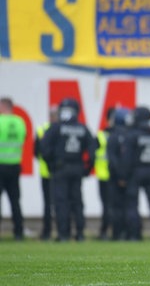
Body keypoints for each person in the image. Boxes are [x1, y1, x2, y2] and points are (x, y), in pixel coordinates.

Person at [40, 98, 95, 242]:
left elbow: (44, 149)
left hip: (60, 168)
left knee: (61, 202)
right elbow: (93, 150)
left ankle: (63, 234)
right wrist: (86, 169)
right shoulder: (83, 128)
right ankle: (80, 233)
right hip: (77, 167)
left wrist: (52, 165)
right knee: (77, 201)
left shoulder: (55, 127)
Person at [123, 106, 150, 241]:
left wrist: (123, 175)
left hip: (135, 172)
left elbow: (127, 158)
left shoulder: (132, 135)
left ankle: (135, 235)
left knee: (132, 204)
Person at [0, 97, 27, 241]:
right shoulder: (19, 122)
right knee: (15, 201)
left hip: (0, 165)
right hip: (15, 165)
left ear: (3, 106)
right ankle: (18, 232)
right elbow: (23, 138)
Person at [106, 108, 131, 241]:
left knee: (116, 207)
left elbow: (112, 158)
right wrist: (126, 176)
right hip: (129, 178)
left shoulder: (113, 136)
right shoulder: (131, 135)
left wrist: (120, 176)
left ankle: (117, 234)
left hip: (115, 178)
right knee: (130, 206)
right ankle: (130, 234)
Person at [34, 105, 58, 241]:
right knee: (61, 204)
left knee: (48, 204)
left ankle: (47, 232)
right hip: (57, 172)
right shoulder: (61, 129)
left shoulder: (42, 129)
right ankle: (62, 231)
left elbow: (36, 152)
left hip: (46, 172)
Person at [94, 108, 114, 240]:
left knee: (109, 206)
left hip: (107, 176)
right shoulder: (122, 134)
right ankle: (109, 231)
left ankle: (106, 231)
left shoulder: (101, 135)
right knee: (109, 206)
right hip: (107, 176)